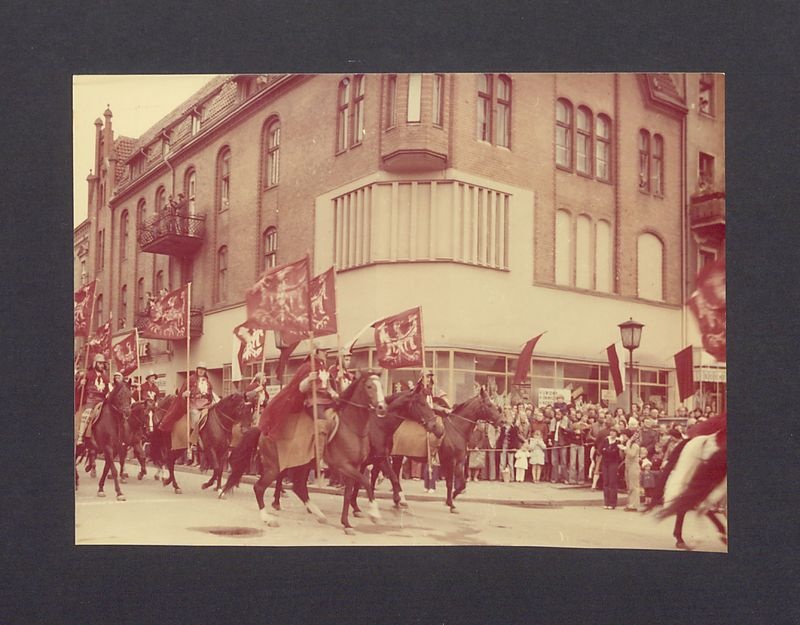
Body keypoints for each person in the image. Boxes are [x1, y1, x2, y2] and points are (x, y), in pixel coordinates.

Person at [76, 353, 110, 446]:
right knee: (86, 414)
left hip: (102, 400)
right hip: (91, 399)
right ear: (95, 363)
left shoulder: (106, 376)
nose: (102, 365)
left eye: (103, 363)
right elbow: (77, 388)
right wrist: (81, 384)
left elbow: (107, 388)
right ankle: (80, 436)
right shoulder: (87, 374)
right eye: (100, 363)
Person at [597, 426, 624, 509]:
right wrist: (608, 450)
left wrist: (607, 450)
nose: (612, 433)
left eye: (614, 432)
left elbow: (615, 452)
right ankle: (606, 502)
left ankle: (613, 503)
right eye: (611, 431)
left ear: (616, 433)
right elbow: (600, 449)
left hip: (613, 463)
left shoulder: (618, 441)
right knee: (605, 482)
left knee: (612, 482)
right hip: (605, 463)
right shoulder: (605, 440)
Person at [621, 429, 642, 511]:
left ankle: (634, 504)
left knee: (634, 485)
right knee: (629, 485)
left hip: (633, 465)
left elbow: (632, 454)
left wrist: (626, 447)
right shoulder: (629, 444)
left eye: (624, 435)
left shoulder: (634, 445)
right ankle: (630, 503)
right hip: (628, 465)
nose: (623, 437)